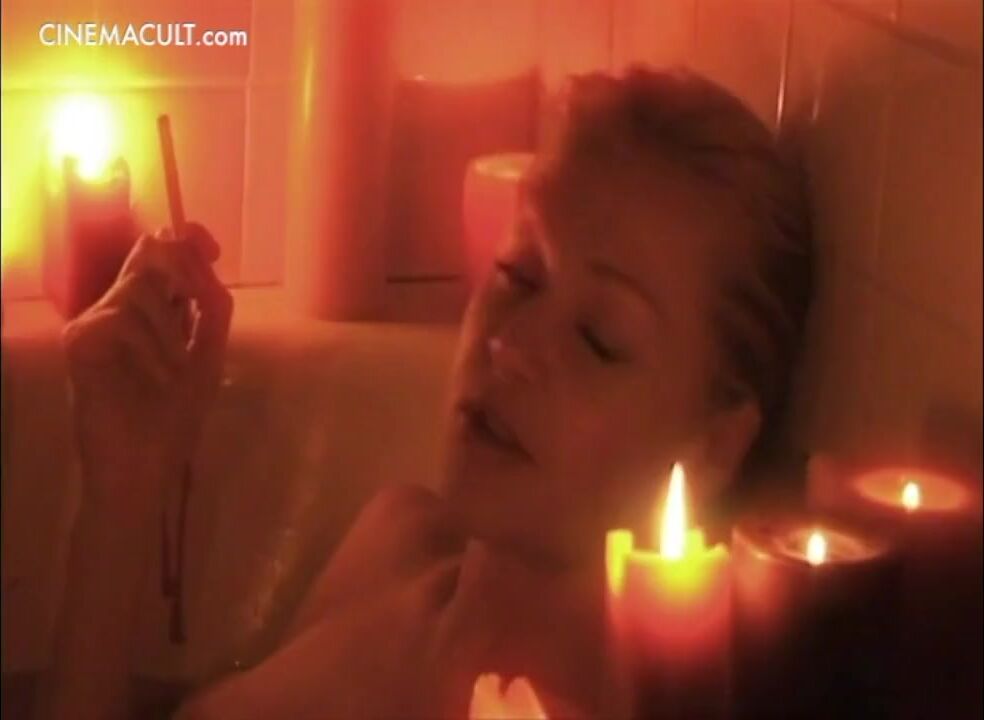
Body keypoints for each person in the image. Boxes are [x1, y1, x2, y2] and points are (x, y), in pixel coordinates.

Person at [44, 66, 812, 720]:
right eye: (519, 274)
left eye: (599, 338)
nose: (511, 343)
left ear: (712, 446)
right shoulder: (397, 544)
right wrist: (125, 486)